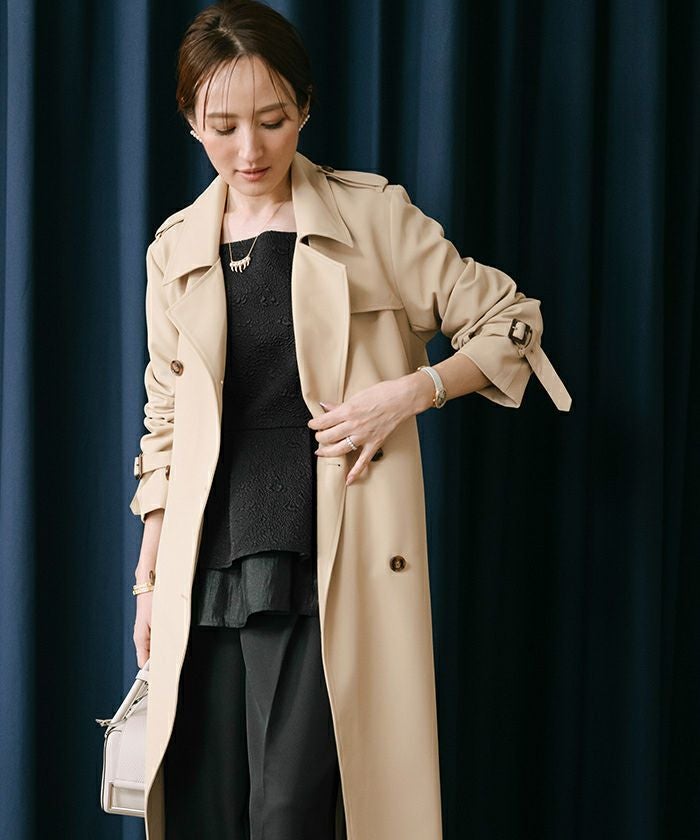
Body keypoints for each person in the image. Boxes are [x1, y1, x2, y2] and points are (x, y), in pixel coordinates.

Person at [129, 2, 572, 839]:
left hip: (321, 552)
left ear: (306, 108)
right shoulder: (174, 249)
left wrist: (412, 391)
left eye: (272, 120)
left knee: (288, 814)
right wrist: (148, 583)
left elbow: (509, 321)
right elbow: (164, 422)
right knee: (201, 812)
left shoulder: (371, 217)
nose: (250, 150)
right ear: (189, 122)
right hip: (203, 559)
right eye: (223, 127)